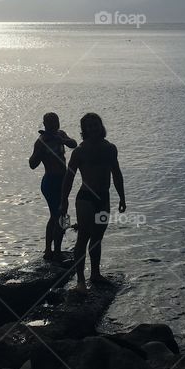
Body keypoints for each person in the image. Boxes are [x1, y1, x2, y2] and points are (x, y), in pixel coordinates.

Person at [61, 112, 126, 292]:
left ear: (101, 126)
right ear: (84, 130)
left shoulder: (110, 148)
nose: (92, 128)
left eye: (95, 125)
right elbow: (69, 177)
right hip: (86, 199)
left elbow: (117, 174)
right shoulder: (80, 151)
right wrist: (63, 200)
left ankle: (95, 274)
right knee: (83, 237)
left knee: (97, 238)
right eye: (88, 126)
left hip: (103, 198)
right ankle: (80, 281)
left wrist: (122, 197)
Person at [29, 112, 77, 262]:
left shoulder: (61, 134)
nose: (53, 125)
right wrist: (41, 150)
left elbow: (73, 144)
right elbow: (32, 164)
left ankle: (54, 249)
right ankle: (52, 251)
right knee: (58, 215)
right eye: (49, 123)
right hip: (50, 181)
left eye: (55, 122)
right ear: (44, 124)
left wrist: (61, 139)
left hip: (63, 181)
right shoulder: (41, 141)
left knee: (62, 214)